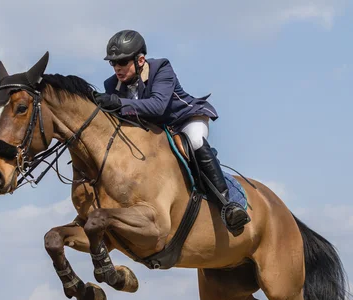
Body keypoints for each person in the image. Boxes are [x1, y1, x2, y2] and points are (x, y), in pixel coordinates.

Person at [94, 29, 250, 236]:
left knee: (195, 141)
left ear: (140, 60)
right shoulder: (112, 85)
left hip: (185, 119)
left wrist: (118, 102)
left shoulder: (161, 68)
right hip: (157, 131)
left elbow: (158, 106)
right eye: (113, 63)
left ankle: (228, 204)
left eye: (122, 62)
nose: (117, 68)